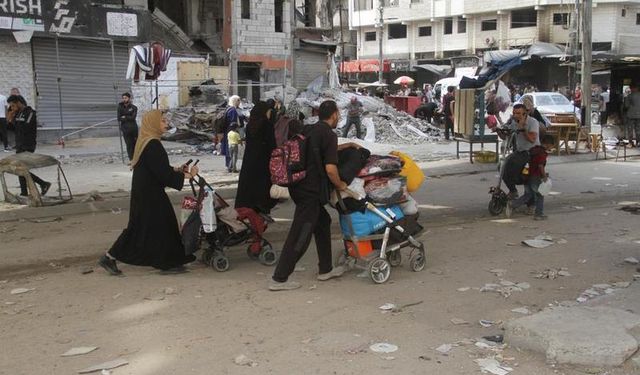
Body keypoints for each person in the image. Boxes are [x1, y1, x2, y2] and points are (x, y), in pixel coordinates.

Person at [270, 100, 358, 291]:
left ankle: (325, 269)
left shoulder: (310, 129)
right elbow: (330, 169)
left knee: (322, 221)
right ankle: (279, 278)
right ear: (334, 114)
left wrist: (346, 146)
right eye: (338, 115)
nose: (339, 118)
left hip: (299, 186)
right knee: (301, 232)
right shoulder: (329, 134)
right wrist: (341, 185)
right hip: (310, 191)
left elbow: (316, 151)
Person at [98, 110, 199, 275]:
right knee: (155, 225)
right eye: (162, 121)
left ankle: (167, 261)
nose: (166, 123)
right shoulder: (153, 144)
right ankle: (166, 262)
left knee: (146, 227)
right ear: (152, 123)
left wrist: (178, 169)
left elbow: (157, 167)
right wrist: (189, 175)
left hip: (146, 192)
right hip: (150, 195)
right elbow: (162, 174)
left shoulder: (147, 141)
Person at [235, 101, 277, 214]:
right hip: (263, 161)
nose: (269, 114)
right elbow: (271, 144)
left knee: (249, 186)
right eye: (268, 111)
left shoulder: (250, 125)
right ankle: (261, 211)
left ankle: (247, 210)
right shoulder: (267, 125)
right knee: (263, 188)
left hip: (250, 160)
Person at [7, 95, 51, 197]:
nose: (12, 108)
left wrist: (14, 120)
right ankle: (25, 192)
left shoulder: (31, 113)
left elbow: (25, 128)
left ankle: (43, 183)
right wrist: (10, 120)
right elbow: (13, 130)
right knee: (20, 169)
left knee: (20, 169)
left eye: (13, 105)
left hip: (28, 145)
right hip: (19, 144)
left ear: (18, 103)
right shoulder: (18, 114)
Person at [506, 134, 554, 221]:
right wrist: (544, 176)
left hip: (527, 175)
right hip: (535, 177)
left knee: (529, 194)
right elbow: (540, 166)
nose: (551, 148)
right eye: (551, 146)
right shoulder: (542, 153)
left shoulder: (534, 149)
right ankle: (539, 214)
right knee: (540, 194)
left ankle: (512, 204)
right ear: (548, 144)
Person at [502, 103, 541, 199]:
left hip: (531, 153)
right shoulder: (514, 122)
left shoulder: (533, 122)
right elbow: (506, 136)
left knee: (523, 175)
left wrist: (523, 129)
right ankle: (513, 191)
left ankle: (530, 201)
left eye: (518, 113)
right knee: (502, 166)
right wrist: (500, 131)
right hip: (519, 152)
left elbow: (532, 139)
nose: (515, 116)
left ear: (525, 114)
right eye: (514, 113)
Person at [222, 95, 241, 170]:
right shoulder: (232, 110)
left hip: (227, 132)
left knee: (229, 149)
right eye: (238, 100)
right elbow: (233, 123)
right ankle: (231, 166)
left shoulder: (228, 109)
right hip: (231, 132)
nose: (239, 102)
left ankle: (229, 165)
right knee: (233, 151)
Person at [117, 93, 138, 161]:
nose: (124, 99)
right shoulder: (120, 107)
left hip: (133, 129)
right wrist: (128, 116)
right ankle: (131, 159)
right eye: (123, 98)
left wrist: (125, 116)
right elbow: (119, 118)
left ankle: (137, 158)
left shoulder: (134, 107)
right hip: (125, 129)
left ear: (129, 98)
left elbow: (133, 118)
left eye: (125, 98)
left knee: (135, 144)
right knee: (129, 145)